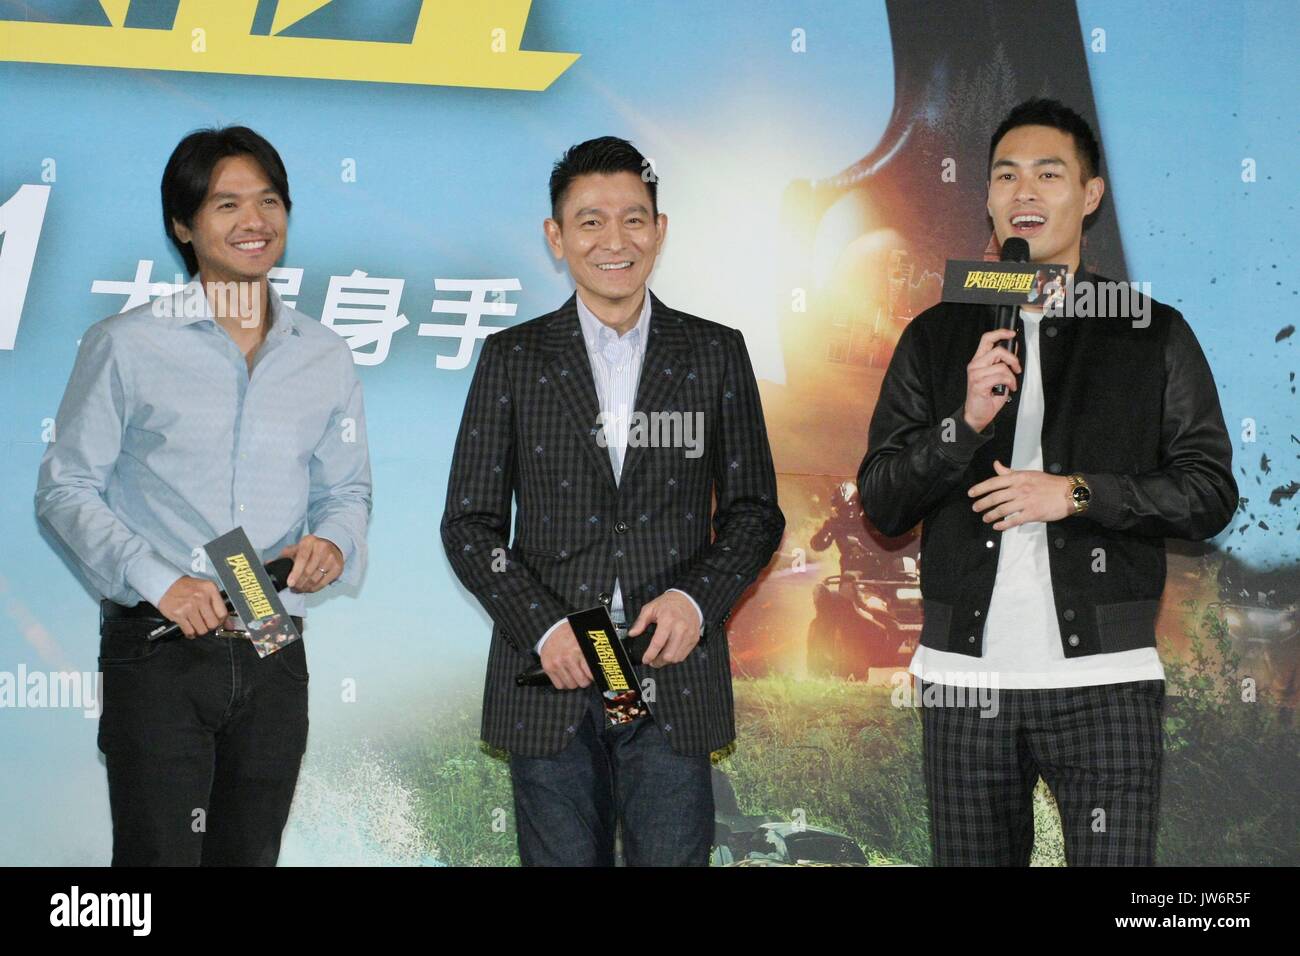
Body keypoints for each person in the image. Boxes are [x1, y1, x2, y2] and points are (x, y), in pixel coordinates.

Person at [857, 99, 1237, 866]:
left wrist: (1076, 494)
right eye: (1006, 175)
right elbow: (883, 501)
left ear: (1090, 195)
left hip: (1105, 681)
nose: (1024, 191)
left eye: (1048, 173)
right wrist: (960, 425)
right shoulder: (936, 334)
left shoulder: (1149, 329)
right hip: (964, 683)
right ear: (989, 198)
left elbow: (1208, 492)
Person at [441, 136, 785, 866]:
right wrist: (543, 628)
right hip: (550, 679)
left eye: (634, 219)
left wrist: (697, 601)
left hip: (671, 671)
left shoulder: (716, 352)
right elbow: (469, 525)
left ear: (660, 231)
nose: (614, 240)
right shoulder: (513, 358)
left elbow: (756, 511)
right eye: (590, 221)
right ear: (556, 237)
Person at [35, 126, 372, 866]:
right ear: (184, 226)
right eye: (227, 204)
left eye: (269, 200)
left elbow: (347, 490)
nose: (255, 222)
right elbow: (64, 488)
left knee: (249, 856)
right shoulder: (127, 343)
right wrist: (163, 583)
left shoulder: (324, 354)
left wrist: (334, 543)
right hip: (159, 649)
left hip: (273, 644)